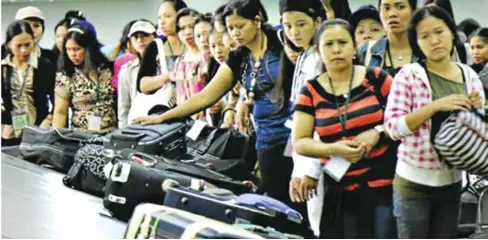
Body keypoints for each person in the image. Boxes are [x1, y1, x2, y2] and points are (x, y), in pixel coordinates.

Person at [133, 0, 302, 219]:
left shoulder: (283, 42)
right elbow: (206, 95)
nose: (235, 33)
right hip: (266, 143)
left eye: (240, 26)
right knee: (279, 210)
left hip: (295, 141)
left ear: (257, 21)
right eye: (231, 28)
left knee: (303, 208)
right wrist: (164, 116)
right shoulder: (239, 56)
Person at [383, 6, 485, 239]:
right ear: (416, 42)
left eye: (439, 32)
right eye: (425, 36)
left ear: (452, 33)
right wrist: (435, 106)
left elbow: (473, 129)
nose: (434, 40)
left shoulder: (468, 75)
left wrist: (478, 108)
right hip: (413, 185)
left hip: (453, 184)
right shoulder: (408, 75)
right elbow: (392, 128)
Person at [292, 19, 397, 239]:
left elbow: (404, 120)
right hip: (341, 189)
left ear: (353, 47)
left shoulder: (377, 78)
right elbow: (300, 142)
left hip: (386, 184)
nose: (336, 49)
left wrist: (377, 133)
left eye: (342, 42)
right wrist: (335, 149)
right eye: (328, 44)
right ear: (319, 51)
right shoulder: (310, 90)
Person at [278, 0, 325, 236]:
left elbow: (319, 119)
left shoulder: (320, 57)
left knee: (323, 220)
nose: (294, 32)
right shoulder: (305, 54)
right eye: (287, 26)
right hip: (304, 148)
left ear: (318, 22)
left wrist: (308, 170)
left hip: (321, 152)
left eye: (301, 24)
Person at [52, 24, 116, 134]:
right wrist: (56, 138)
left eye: (77, 49)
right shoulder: (67, 75)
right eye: (68, 49)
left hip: (111, 133)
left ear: (88, 48)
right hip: (81, 135)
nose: (72, 54)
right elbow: (60, 112)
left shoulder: (107, 69)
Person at [1, 20, 56, 146]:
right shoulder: (3, 68)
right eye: (18, 46)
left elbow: (56, 101)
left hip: (39, 128)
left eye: (27, 44)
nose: (23, 50)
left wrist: (47, 122)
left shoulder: (44, 66)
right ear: (9, 44)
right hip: (9, 130)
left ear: (33, 41)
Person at [136, 0, 187, 99]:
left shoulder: (194, 43)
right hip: (165, 106)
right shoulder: (155, 46)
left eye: (167, 16)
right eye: (159, 18)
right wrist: (167, 77)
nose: (162, 22)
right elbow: (142, 85)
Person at [360, 0, 418, 77]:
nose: (392, 14)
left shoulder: (426, 50)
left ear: (413, 11)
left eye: (400, 7)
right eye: (386, 8)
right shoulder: (366, 52)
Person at [118, 20, 157, 128]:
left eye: (145, 35)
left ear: (155, 36)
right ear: (130, 41)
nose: (140, 40)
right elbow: (124, 108)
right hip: (137, 125)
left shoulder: (165, 64)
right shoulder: (127, 70)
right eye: (136, 37)